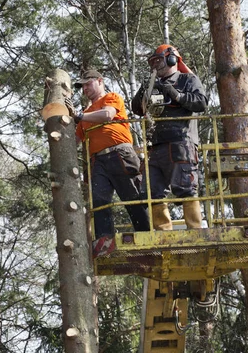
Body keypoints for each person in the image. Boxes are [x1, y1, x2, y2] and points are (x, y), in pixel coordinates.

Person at [70, 69, 149, 257]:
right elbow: (74, 140)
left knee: (133, 196)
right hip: (98, 161)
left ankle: (147, 236)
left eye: (88, 84)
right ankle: (105, 241)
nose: (85, 89)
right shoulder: (86, 114)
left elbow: (107, 115)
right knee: (99, 200)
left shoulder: (111, 98)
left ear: (100, 81)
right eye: (82, 86)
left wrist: (79, 116)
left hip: (120, 153)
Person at [131, 44, 208, 230]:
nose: (155, 65)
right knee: (152, 191)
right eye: (153, 62)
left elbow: (201, 103)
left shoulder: (187, 79)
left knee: (186, 188)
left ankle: (196, 232)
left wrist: (176, 94)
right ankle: (163, 233)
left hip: (181, 142)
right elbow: (136, 108)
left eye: (158, 60)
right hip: (156, 145)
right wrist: (145, 89)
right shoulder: (152, 84)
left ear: (172, 59)